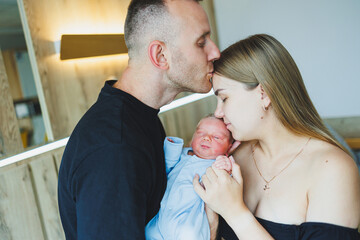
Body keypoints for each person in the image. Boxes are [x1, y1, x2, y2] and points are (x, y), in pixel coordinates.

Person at [57, 0, 220, 239]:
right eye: (201, 42)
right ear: (160, 55)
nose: (215, 51)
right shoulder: (115, 148)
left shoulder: (141, 118)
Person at [193, 34, 360, 239]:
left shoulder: (332, 168)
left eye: (224, 98)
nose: (218, 112)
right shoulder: (233, 156)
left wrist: (236, 214)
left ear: (264, 93)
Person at [145, 115, 238, 240]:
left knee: (188, 234)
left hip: (189, 220)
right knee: (149, 231)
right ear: (192, 137)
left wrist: (227, 168)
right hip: (162, 215)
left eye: (216, 137)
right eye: (201, 133)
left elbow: (225, 186)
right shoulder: (183, 153)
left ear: (229, 147)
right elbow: (166, 168)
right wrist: (172, 147)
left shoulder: (217, 164)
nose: (206, 138)